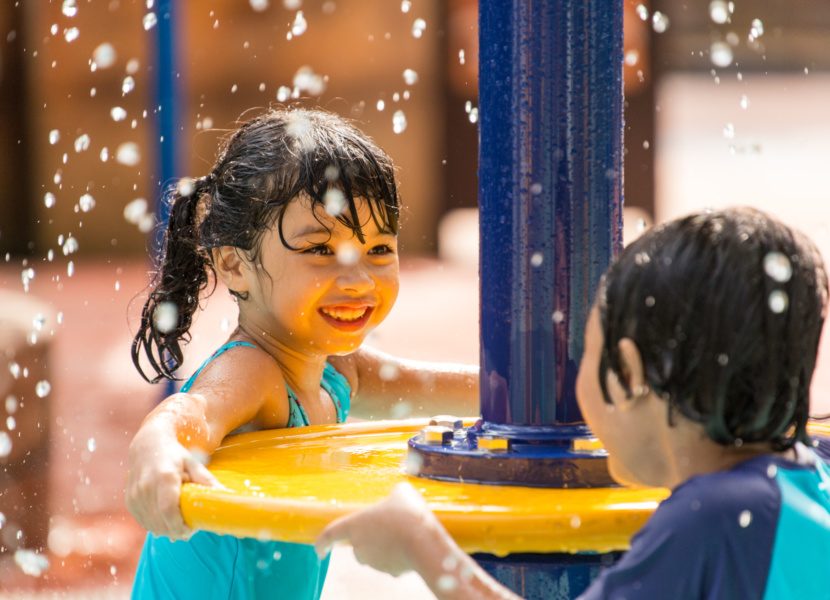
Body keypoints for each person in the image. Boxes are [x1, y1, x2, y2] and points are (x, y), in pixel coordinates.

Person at [315, 207, 830, 599]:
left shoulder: (712, 518)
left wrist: (423, 547)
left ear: (627, 374)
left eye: (586, 353)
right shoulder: (810, 476)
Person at [125, 107, 478, 600]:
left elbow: (473, 391)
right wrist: (157, 450)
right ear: (234, 265)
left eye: (379, 249)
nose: (358, 280)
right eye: (319, 250)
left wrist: (550, 390)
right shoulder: (254, 371)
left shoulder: (337, 371)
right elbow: (190, 412)